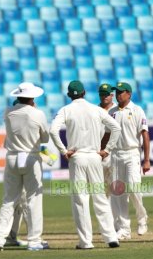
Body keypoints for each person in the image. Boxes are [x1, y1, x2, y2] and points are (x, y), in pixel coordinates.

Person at [50, 80, 121, 249]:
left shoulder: (66, 110)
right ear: (84, 93)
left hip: (77, 157)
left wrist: (63, 151)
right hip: (95, 157)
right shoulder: (95, 109)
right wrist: (107, 150)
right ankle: (111, 237)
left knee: (81, 199)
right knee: (100, 198)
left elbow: (53, 130)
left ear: (69, 95)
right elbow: (116, 127)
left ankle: (85, 242)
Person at [0, 82, 49, 251]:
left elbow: (17, 111)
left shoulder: (8, 112)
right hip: (31, 157)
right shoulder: (37, 113)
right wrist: (34, 110)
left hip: (12, 156)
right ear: (31, 97)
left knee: (9, 199)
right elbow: (45, 138)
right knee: (33, 199)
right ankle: (34, 240)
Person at [107, 82, 150, 240]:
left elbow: (145, 134)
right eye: (116, 92)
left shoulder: (137, 110)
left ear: (129, 94)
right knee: (118, 193)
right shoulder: (111, 112)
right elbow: (106, 134)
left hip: (132, 153)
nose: (118, 95)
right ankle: (124, 229)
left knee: (133, 188)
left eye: (121, 92)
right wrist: (102, 151)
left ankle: (142, 218)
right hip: (116, 154)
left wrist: (146, 160)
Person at [98, 83, 117, 197]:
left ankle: (117, 214)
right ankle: (106, 214)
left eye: (107, 94)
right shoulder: (94, 110)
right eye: (102, 94)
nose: (105, 97)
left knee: (116, 187)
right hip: (99, 152)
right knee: (101, 189)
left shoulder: (117, 110)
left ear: (112, 95)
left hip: (114, 153)